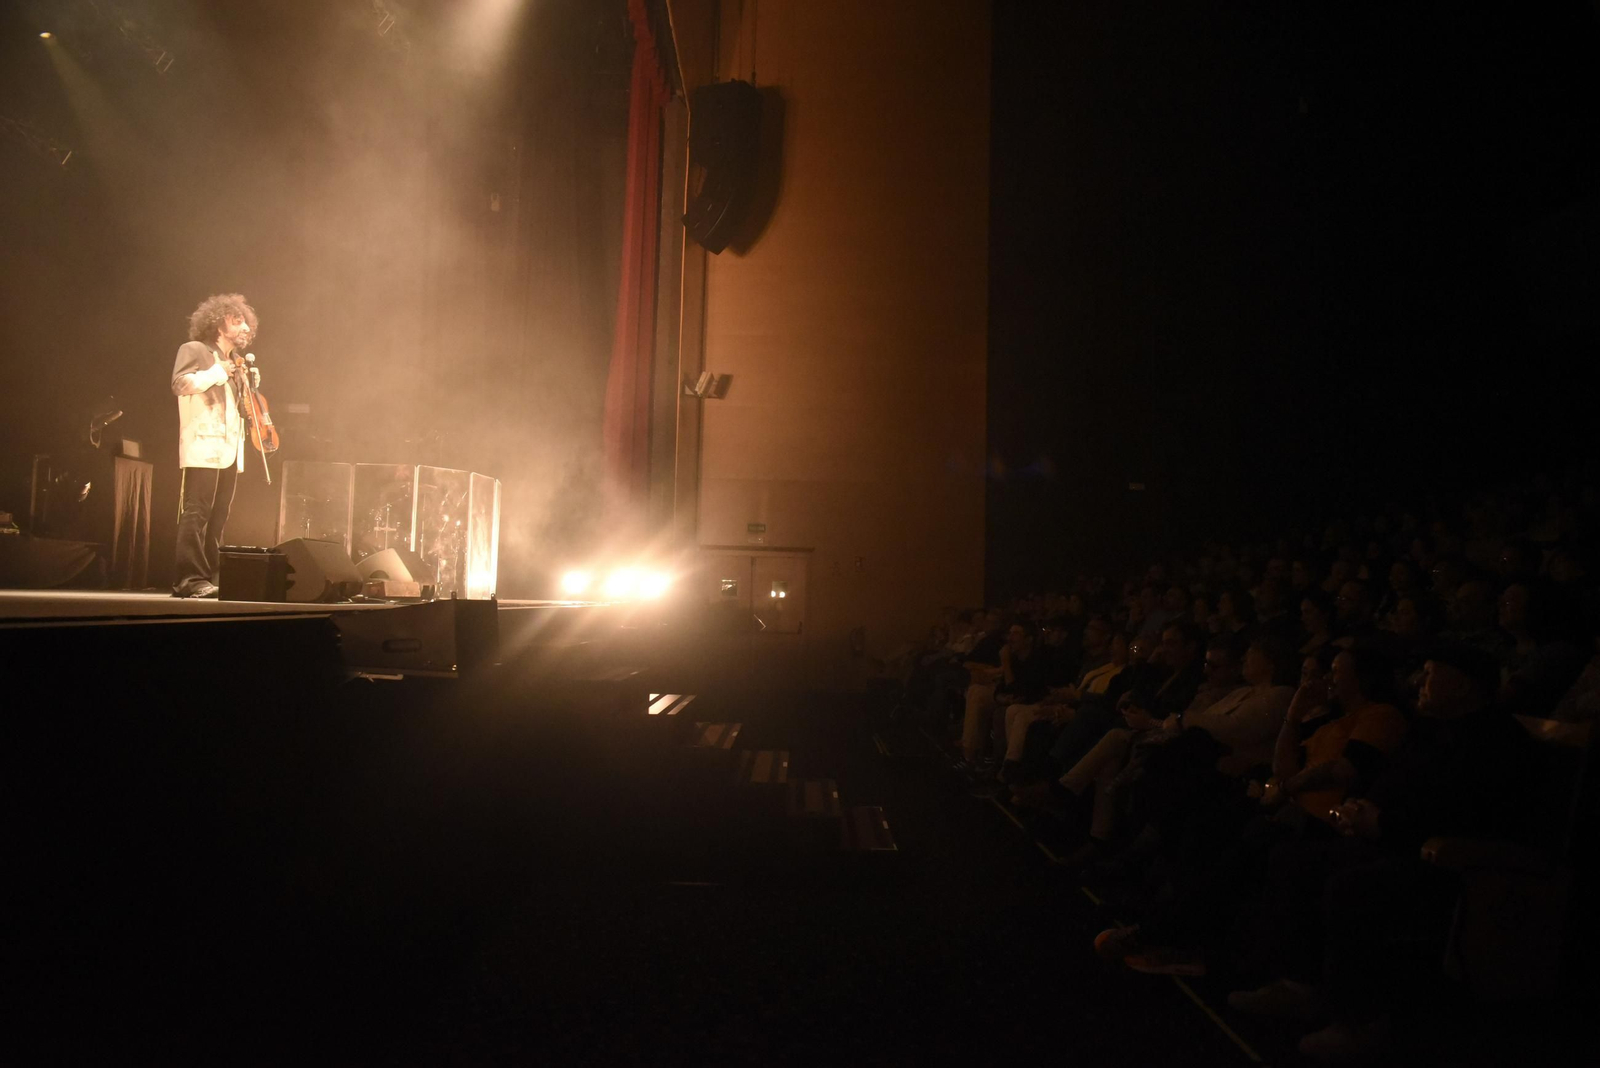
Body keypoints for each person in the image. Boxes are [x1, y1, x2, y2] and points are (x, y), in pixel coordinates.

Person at [171, 293, 260, 598]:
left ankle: (209, 576)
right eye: (238, 320)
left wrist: (249, 386)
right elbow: (180, 384)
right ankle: (189, 579)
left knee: (218, 515)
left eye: (246, 321)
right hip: (203, 445)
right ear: (219, 324)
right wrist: (218, 372)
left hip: (230, 450)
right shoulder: (195, 350)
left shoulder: (236, 362)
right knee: (196, 513)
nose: (245, 327)